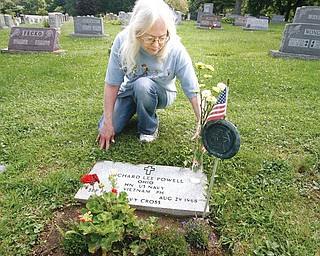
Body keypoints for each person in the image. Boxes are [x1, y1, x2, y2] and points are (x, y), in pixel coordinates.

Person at [97, 0, 200, 150]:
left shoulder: (175, 48)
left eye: (162, 38)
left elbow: (193, 89)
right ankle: (137, 105)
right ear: (137, 33)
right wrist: (108, 123)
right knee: (108, 126)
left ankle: (148, 129)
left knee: (143, 85)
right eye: (150, 38)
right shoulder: (122, 41)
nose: (157, 45)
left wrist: (202, 122)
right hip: (131, 90)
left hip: (162, 92)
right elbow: (112, 83)